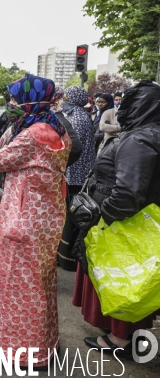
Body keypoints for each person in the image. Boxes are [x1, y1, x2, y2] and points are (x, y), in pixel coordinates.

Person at [0, 74, 71, 370]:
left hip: (21, 219)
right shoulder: (54, 127)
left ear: (29, 102)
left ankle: (19, 350)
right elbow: (11, 151)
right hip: (47, 218)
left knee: (14, 283)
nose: (11, 104)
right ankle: (41, 344)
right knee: (40, 282)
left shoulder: (32, 135)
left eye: (15, 99)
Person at [73, 80, 160, 359]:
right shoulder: (147, 133)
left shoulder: (140, 138)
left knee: (122, 282)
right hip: (140, 221)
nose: (122, 108)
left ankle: (119, 339)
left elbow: (127, 192)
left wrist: (103, 218)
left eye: (129, 103)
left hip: (123, 223)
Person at [57, 86, 96, 272]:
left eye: (65, 97)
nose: (63, 100)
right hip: (75, 172)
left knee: (73, 214)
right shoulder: (77, 114)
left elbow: (72, 147)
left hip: (77, 173)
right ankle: (65, 255)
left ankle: (68, 257)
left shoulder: (77, 117)